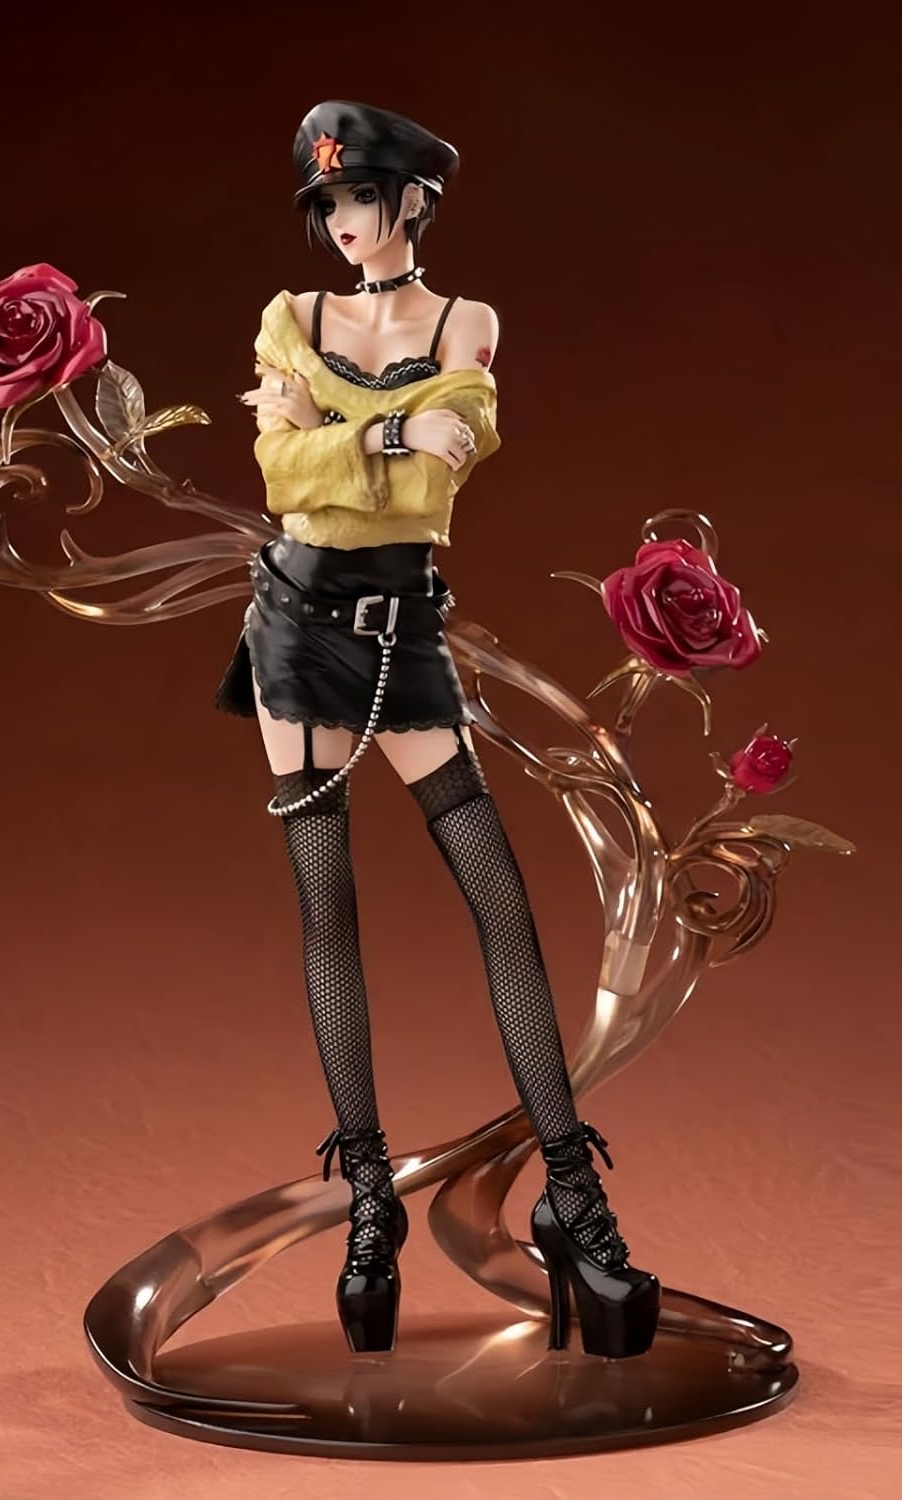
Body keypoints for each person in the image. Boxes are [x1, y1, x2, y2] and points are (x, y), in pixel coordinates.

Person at [215, 100, 659, 1359]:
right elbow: (278, 479)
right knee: (327, 907)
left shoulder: (469, 323)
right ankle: (371, 1207)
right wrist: (395, 428)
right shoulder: (289, 319)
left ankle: (572, 1198)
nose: (342, 224)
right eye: (327, 205)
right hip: (294, 621)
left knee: (498, 893)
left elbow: (433, 492)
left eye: (359, 198)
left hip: (403, 622)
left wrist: (341, 439)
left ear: (411, 199)